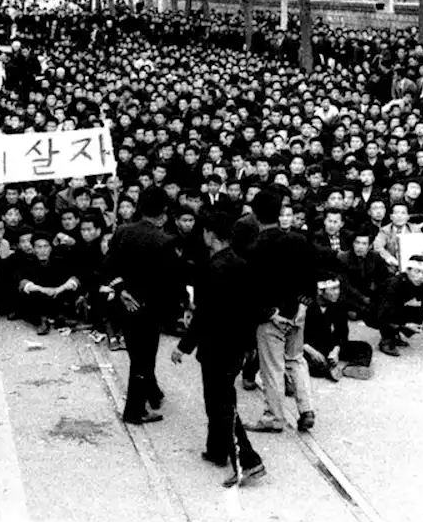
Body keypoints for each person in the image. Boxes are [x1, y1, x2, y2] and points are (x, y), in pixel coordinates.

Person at [171, 208, 267, 488]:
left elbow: (205, 315)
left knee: (221, 403)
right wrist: (249, 345)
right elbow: (252, 308)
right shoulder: (241, 263)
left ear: (210, 235)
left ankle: (248, 461)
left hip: (217, 346)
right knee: (218, 398)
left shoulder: (215, 268)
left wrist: (183, 346)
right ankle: (216, 450)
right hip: (236, 345)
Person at [104, 187, 186, 424]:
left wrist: (121, 291)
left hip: (126, 304)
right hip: (150, 309)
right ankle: (134, 410)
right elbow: (171, 282)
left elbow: (109, 265)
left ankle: (152, 393)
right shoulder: (165, 241)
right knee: (143, 359)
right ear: (163, 213)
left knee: (137, 355)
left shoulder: (122, 231)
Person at [243, 189, 316, 434]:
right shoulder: (299, 241)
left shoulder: (255, 248)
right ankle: (306, 409)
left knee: (272, 367)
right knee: (296, 360)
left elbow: (253, 288)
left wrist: (269, 313)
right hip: (298, 312)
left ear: (256, 215)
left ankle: (274, 417)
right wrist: (303, 306)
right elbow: (310, 277)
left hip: (271, 316)